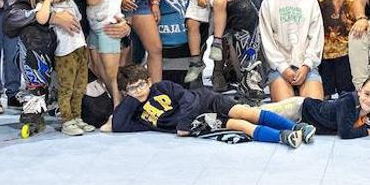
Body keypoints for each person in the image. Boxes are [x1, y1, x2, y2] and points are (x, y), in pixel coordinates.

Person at [106, 63, 306, 147]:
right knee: (239, 124)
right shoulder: (139, 114)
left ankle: (297, 128)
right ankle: (283, 137)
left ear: (149, 81)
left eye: (142, 85)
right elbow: (118, 125)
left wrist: (183, 125)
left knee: (245, 112)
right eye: (133, 89)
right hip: (201, 121)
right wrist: (131, 100)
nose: (139, 90)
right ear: (126, 93)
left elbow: (187, 100)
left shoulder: (162, 87)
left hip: (203, 100)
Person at [28, 0, 92, 135]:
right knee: (66, 88)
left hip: (81, 49)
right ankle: (67, 119)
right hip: (65, 54)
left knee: (80, 87)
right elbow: (41, 19)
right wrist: (48, 2)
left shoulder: (70, 2)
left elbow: (78, 19)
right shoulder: (43, 6)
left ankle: (77, 116)